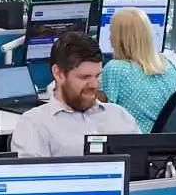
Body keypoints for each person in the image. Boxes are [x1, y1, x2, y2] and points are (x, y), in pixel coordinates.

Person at [10, 32, 139, 157]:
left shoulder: (120, 116)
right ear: (58, 74)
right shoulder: (35, 124)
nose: (94, 85)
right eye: (85, 77)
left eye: (97, 76)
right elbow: (33, 178)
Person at [99, 7, 176, 133]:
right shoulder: (169, 65)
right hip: (169, 143)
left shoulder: (115, 69)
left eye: (112, 33)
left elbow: (99, 114)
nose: (110, 39)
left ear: (120, 39)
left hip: (133, 144)